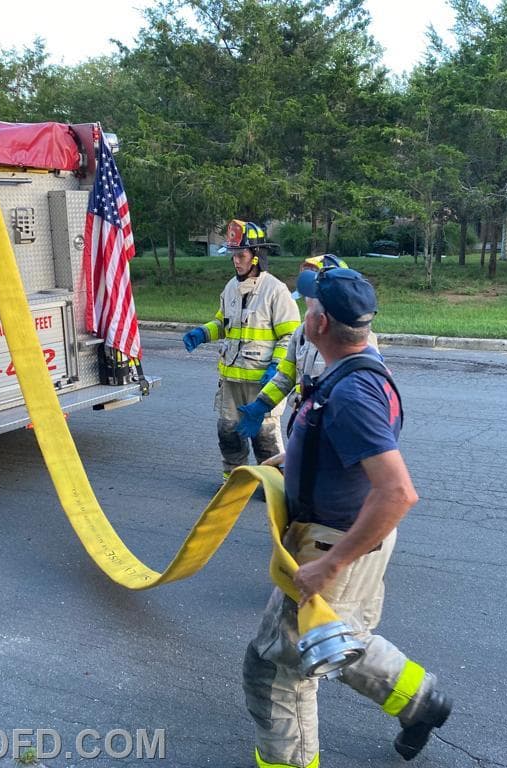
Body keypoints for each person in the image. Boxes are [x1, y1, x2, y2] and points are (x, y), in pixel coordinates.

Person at [242, 267, 451, 767]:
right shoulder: (356, 367)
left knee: (277, 670)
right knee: (342, 637)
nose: (305, 312)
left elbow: (398, 493)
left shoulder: (353, 393)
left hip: (334, 542)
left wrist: (330, 563)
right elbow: (345, 446)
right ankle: (421, 701)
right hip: (349, 534)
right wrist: (297, 455)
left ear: (319, 323)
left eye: (310, 307)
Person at [183, 220, 300, 482]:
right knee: (228, 432)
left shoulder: (276, 291)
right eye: (233, 255)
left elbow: (290, 336)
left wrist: (276, 368)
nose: (236, 261)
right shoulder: (230, 288)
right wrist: (203, 333)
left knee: (265, 436)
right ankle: (233, 482)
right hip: (231, 380)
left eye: (241, 255)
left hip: (262, 382)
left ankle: (273, 485)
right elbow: (223, 323)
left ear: (256, 256)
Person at [235, 253, 377, 440]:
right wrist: (262, 404)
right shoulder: (302, 333)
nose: (308, 308)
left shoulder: (357, 338)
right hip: (304, 422)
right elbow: (286, 375)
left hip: (334, 429)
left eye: (314, 300)